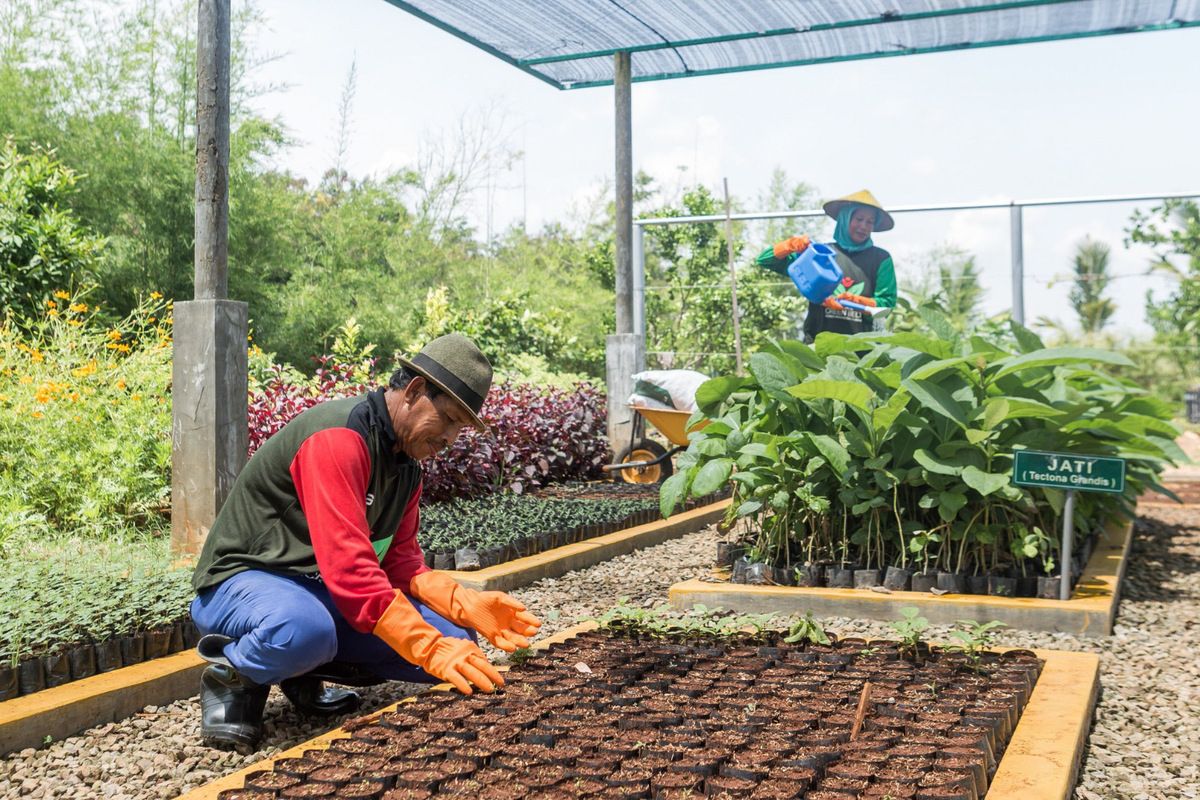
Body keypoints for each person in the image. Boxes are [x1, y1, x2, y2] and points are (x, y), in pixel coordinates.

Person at [189, 333, 541, 751]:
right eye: (448, 419)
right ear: (413, 391)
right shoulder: (337, 439)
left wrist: (462, 602)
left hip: (318, 591)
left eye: (460, 429)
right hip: (244, 583)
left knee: (461, 644)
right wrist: (425, 645)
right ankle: (233, 676)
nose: (450, 439)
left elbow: (402, 563)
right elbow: (352, 571)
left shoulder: (406, 464)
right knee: (304, 629)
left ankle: (302, 669)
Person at [756, 189, 897, 342]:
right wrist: (789, 245)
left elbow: (886, 304)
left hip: (861, 350)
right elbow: (765, 260)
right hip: (818, 346)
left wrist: (855, 301)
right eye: (859, 219)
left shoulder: (880, 259)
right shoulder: (820, 254)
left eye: (870, 222)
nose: (864, 226)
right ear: (845, 219)